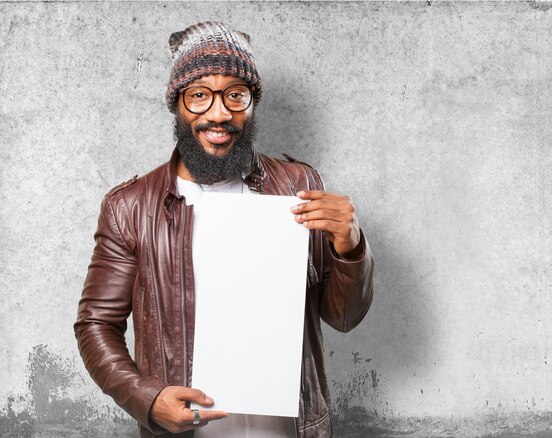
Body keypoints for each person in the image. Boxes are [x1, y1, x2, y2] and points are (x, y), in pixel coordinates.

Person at [74, 21, 373, 438]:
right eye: (200, 96)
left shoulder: (299, 187)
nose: (219, 113)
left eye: (236, 94)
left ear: (252, 104)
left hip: (292, 429)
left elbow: (342, 318)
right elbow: (96, 324)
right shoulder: (130, 208)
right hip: (187, 431)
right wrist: (147, 398)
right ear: (177, 104)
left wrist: (351, 248)